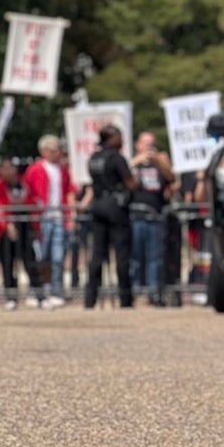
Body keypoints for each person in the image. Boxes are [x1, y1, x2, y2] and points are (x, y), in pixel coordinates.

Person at [84, 125, 139, 309]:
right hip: (115, 207)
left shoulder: (93, 158)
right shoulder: (117, 158)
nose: (122, 140)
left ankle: (90, 299)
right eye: (119, 136)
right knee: (122, 255)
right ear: (111, 138)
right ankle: (125, 299)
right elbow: (130, 184)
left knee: (97, 255)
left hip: (98, 205)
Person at [0, 160, 47, 309]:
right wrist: (7, 224)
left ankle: (39, 295)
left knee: (30, 262)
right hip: (5, 231)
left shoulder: (25, 184)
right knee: (7, 264)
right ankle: (11, 297)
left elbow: (36, 200)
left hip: (25, 227)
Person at [22, 136, 75, 307]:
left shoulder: (63, 170)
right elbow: (28, 192)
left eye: (58, 150)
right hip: (42, 218)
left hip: (59, 216)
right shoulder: (35, 170)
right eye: (53, 150)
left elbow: (68, 191)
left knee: (58, 256)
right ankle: (39, 289)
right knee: (41, 256)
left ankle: (56, 290)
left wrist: (70, 213)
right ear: (44, 152)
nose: (57, 153)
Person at [129, 131, 176, 306]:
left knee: (154, 258)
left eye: (152, 144)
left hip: (155, 216)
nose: (149, 148)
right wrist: (137, 160)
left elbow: (171, 178)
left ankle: (153, 292)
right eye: (145, 144)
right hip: (136, 216)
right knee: (135, 257)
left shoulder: (160, 163)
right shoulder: (133, 162)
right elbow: (122, 173)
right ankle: (134, 290)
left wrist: (159, 161)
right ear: (138, 145)